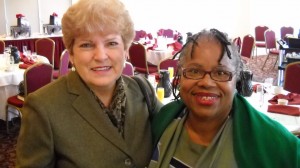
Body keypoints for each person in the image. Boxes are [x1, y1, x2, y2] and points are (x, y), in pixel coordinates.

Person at [16, 0, 162, 167]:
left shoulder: (143, 90)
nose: (100, 56)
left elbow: (179, 136)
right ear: (71, 54)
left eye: (112, 43)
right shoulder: (43, 106)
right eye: (86, 45)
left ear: (126, 49)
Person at [149, 29, 300, 168]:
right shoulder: (163, 121)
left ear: (236, 80)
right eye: (194, 71)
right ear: (180, 76)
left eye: (221, 73)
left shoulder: (271, 142)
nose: (206, 83)